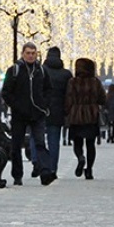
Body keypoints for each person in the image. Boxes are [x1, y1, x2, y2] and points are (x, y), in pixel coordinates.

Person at [1, 42, 54, 185]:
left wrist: (44, 104)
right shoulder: (14, 70)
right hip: (19, 115)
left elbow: (49, 89)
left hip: (38, 113)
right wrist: (16, 105)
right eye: (28, 53)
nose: (31, 56)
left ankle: (45, 173)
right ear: (23, 54)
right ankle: (17, 176)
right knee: (16, 145)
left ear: (36, 54)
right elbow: (6, 92)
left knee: (40, 143)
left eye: (33, 53)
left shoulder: (41, 71)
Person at [65, 57, 106, 179]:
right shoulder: (95, 82)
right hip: (91, 116)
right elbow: (103, 99)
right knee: (90, 144)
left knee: (77, 142)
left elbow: (68, 99)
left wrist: (67, 112)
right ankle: (89, 170)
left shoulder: (72, 82)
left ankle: (80, 157)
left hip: (76, 115)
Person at [42, 46, 72, 177]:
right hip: (58, 111)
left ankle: (39, 163)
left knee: (37, 139)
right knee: (54, 141)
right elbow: (69, 95)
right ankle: (52, 168)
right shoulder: (66, 74)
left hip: (42, 110)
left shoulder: (41, 71)